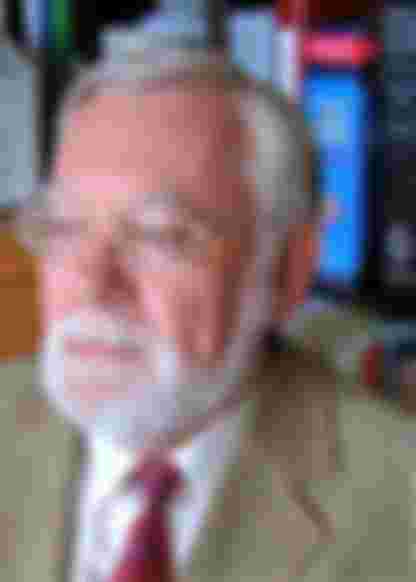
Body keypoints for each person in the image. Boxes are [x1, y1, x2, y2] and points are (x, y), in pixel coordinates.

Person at [4, 43, 416, 582]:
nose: (93, 286)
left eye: (160, 236)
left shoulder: (399, 504)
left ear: (288, 269)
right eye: (65, 228)